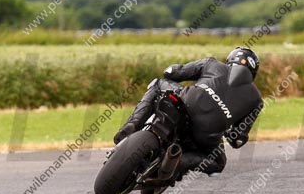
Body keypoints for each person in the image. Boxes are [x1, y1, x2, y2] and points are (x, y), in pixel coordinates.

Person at [113, 47, 264, 176]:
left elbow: (172, 72)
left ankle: (132, 124)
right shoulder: (257, 100)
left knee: (158, 84)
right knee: (218, 163)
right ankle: (177, 163)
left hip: (186, 102)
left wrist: (178, 74)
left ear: (230, 60)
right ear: (253, 73)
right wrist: (227, 128)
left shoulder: (212, 63)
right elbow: (237, 140)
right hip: (207, 134)